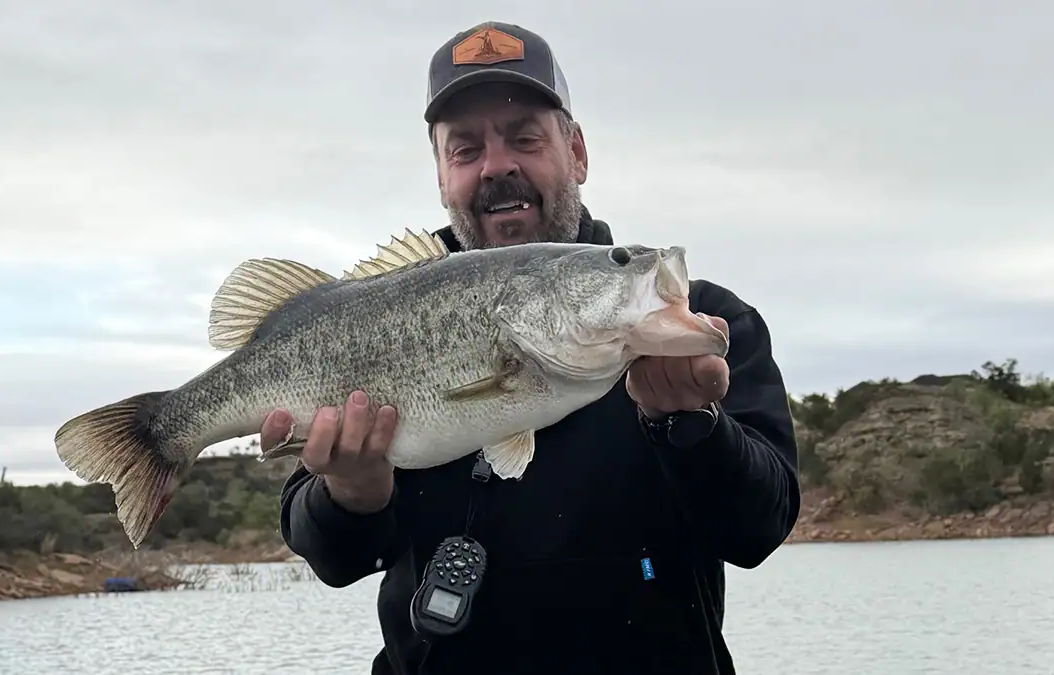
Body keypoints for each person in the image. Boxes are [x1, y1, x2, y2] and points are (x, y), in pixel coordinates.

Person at [270, 21, 800, 675]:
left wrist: (693, 429)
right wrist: (351, 492)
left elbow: (760, 529)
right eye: (465, 150)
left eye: (525, 137)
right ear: (441, 176)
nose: (497, 166)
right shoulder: (376, 319)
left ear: (576, 152)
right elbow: (334, 557)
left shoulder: (701, 325)